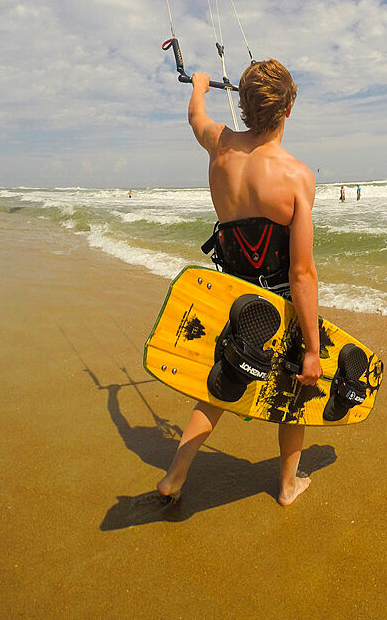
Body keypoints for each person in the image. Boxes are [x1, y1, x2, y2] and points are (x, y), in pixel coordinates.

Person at [157, 59, 322, 507]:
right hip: (278, 303)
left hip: (230, 296)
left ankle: (175, 475)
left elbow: (196, 117)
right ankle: (287, 485)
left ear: (244, 106)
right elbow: (302, 272)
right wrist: (311, 348)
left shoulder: (219, 145)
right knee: (295, 392)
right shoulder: (296, 177)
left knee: (221, 382)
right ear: (289, 109)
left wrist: (200, 87)